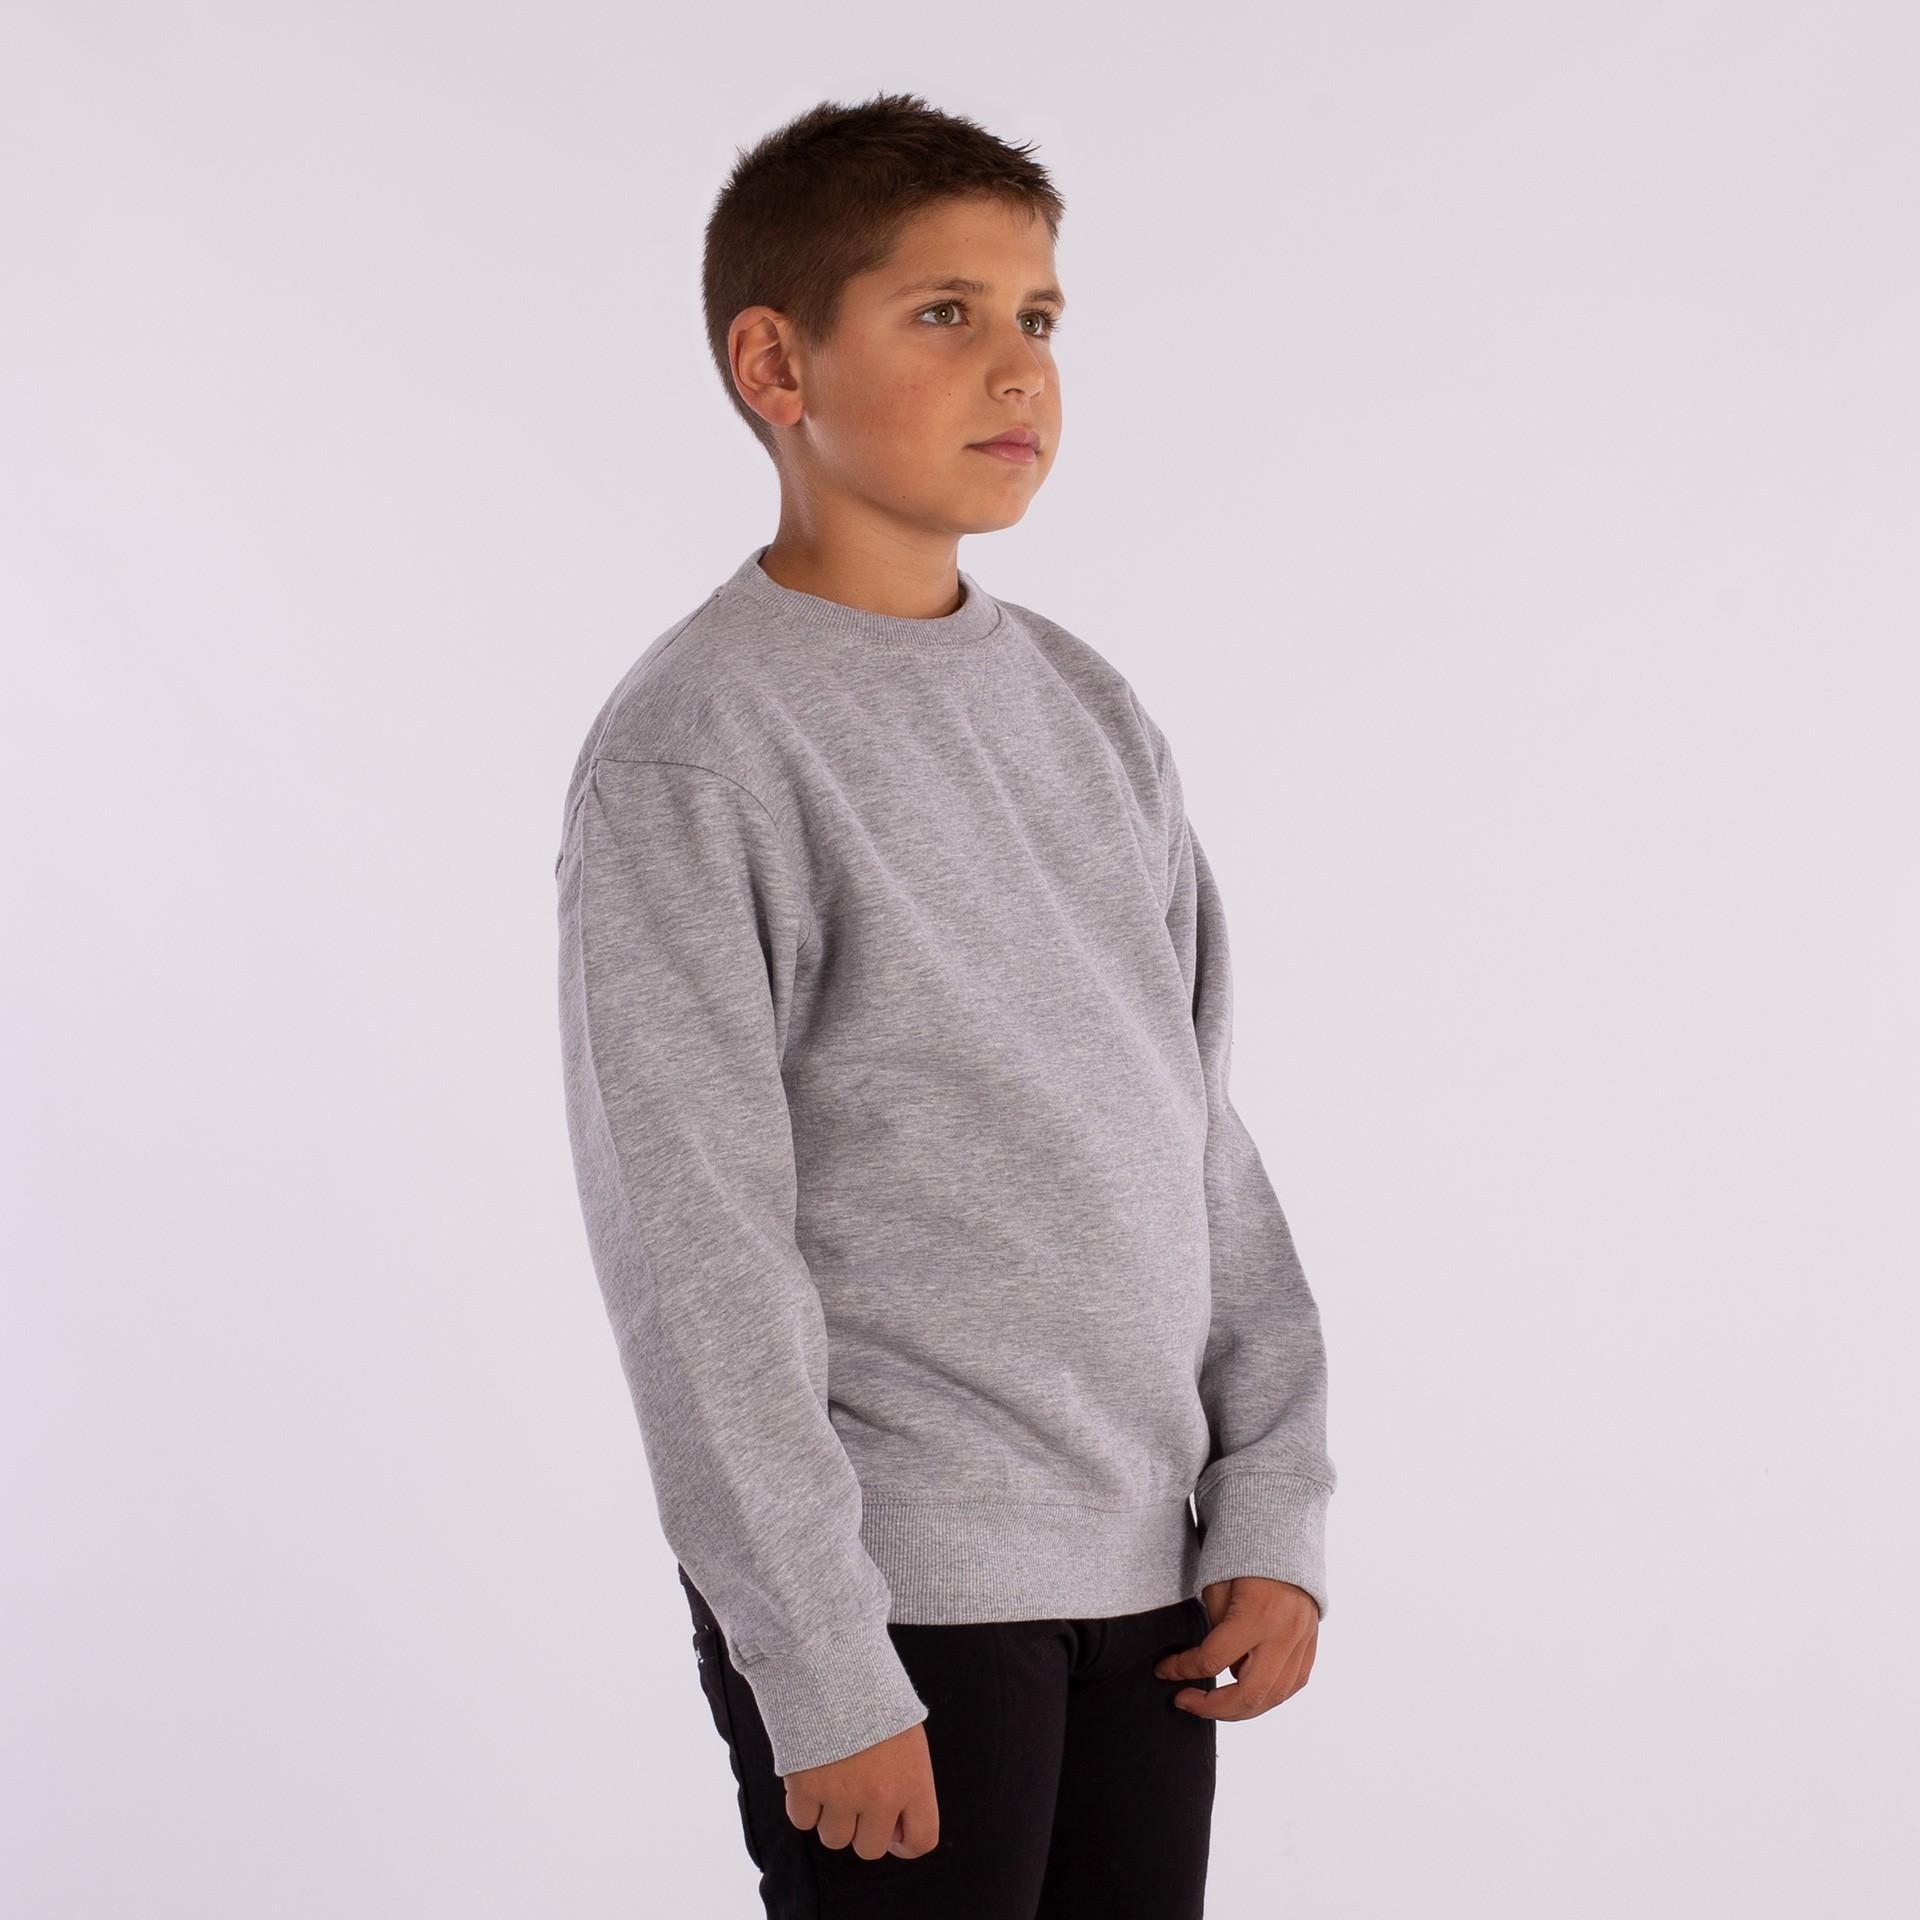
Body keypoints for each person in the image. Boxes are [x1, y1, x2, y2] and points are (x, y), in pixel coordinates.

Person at [554, 90, 1336, 1919]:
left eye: (1039, 316)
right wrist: (820, 1658)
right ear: (776, 363)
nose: (1019, 368)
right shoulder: (696, 749)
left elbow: (1199, 1135)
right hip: (899, 1604)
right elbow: (693, 1247)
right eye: (944, 313)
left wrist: (1274, 1500)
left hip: (1151, 1580)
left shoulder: (1089, 710)